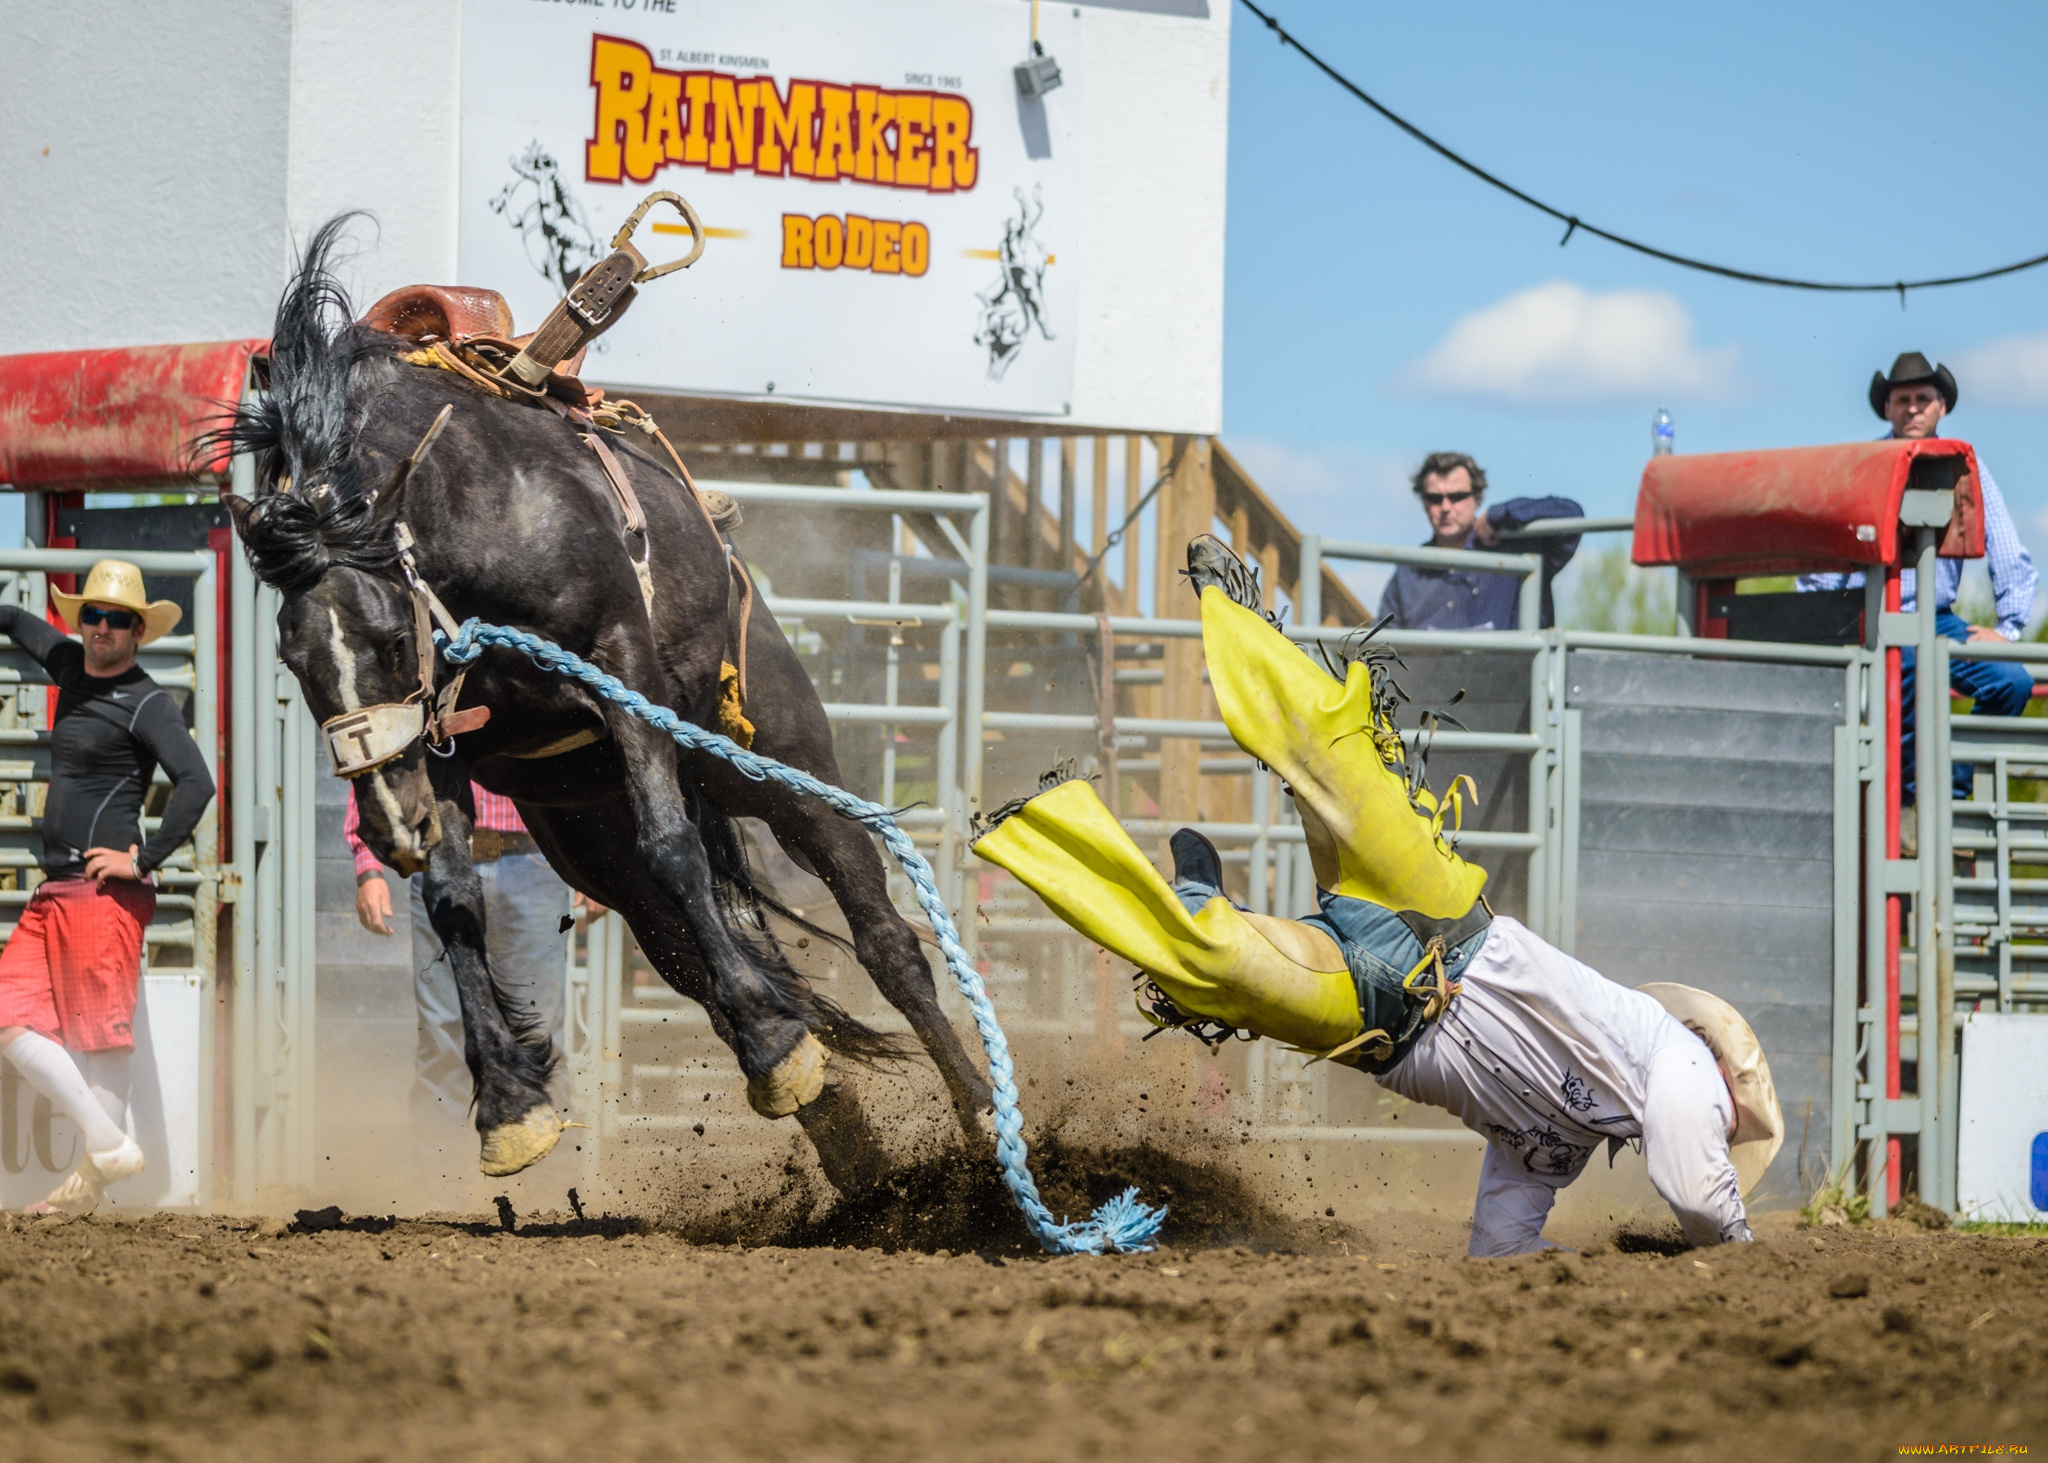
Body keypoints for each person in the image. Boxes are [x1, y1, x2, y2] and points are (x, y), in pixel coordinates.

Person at [974, 537, 1782, 1255]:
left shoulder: (1558, 1146)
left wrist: (1565, 1260)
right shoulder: (1676, 1060)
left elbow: (1500, 1247)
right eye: (1734, 1116)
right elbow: (1700, 1197)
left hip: (1379, 1021)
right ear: (1722, 1070)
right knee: (1335, 762)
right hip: (1439, 920)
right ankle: (1231, 604)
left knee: (1213, 963)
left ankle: (1050, 827)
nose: (1725, 1124)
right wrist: (1741, 1253)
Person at [0, 560, 215, 1214]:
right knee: (8, 1016)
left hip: (102, 895)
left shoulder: (148, 700)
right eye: (92, 614)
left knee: (101, 1042)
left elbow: (197, 782)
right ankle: (108, 1145)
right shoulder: (68, 665)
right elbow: (9, 618)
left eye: (116, 619)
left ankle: (85, 1189)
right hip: (54, 891)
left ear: (138, 630)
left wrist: (143, 860)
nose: (101, 627)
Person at [1800, 353, 2037, 806]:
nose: (1912, 408)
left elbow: (2009, 551)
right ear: (1886, 408)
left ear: (1941, 407)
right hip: (1869, 617)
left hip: (1937, 619)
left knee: (2012, 682)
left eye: (1922, 399)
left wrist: (2008, 629)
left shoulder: (1966, 468)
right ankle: (1906, 807)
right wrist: (1823, 629)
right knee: (1899, 668)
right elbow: (1822, 564)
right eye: (1902, 399)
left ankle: (1949, 794)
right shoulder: (1863, 467)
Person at [346, 782, 595, 1176]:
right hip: (443, 860)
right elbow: (381, 747)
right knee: (443, 1037)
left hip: (534, 859)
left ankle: (555, 1196)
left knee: (540, 1036)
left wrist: (589, 857)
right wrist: (368, 865)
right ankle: (436, 1193)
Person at [1378, 452, 1584, 631]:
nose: (1446, 507)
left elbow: (1572, 515)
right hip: (1430, 676)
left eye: (1457, 496)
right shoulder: (1410, 571)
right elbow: (1382, 641)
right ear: (1424, 503)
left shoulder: (1515, 553)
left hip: (1512, 675)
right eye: (1435, 498)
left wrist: (1499, 514)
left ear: (1478, 497)